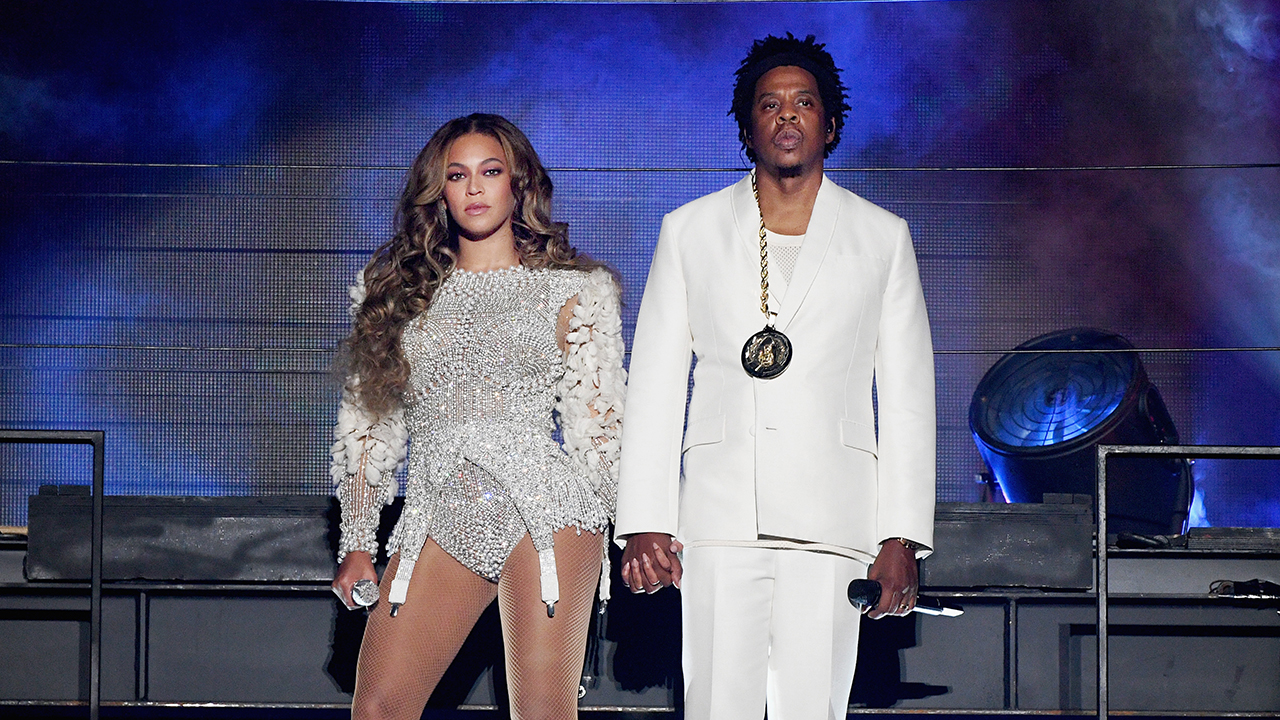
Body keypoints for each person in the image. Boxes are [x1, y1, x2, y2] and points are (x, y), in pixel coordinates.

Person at [614, 34, 936, 720]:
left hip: (833, 519)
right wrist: (644, 519)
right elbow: (656, 386)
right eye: (770, 104)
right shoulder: (688, 231)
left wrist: (900, 536)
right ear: (747, 126)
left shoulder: (882, 237)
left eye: (804, 103)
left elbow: (908, 397)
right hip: (719, 517)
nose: (787, 116)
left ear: (830, 124)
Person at [329, 113, 626, 720]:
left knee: (542, 712)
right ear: (438, 192)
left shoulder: (576, 289)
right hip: (441, 510)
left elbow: (601, 431)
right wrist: (358, 541)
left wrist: (611, 538)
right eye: (456, 175)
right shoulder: (391, 294)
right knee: (379, 707)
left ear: (518, 184)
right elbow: (367, 426)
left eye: (490, 172)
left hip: (551, 510)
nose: (474, 188)